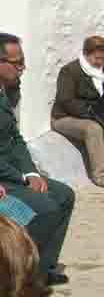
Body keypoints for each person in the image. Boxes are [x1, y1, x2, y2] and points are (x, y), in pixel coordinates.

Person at [0, 33, 73, 283]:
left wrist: (31, 173)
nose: (23, 67)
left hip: (11, 173)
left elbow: (15, 139)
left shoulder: (0, 90)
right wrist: (21, 178)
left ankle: (43, 268)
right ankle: (24, 281)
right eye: (17, 62)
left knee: (64, 195)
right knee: (46, 208)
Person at [50, 35, 104, 187]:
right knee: (93, 129)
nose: (100, 62)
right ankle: (100, 175)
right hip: (64, 117)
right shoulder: (70, 71)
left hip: (94, 114)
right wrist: (93, 114)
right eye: (97, 58)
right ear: (86, 54)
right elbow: (66, 101)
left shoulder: (101, 71)